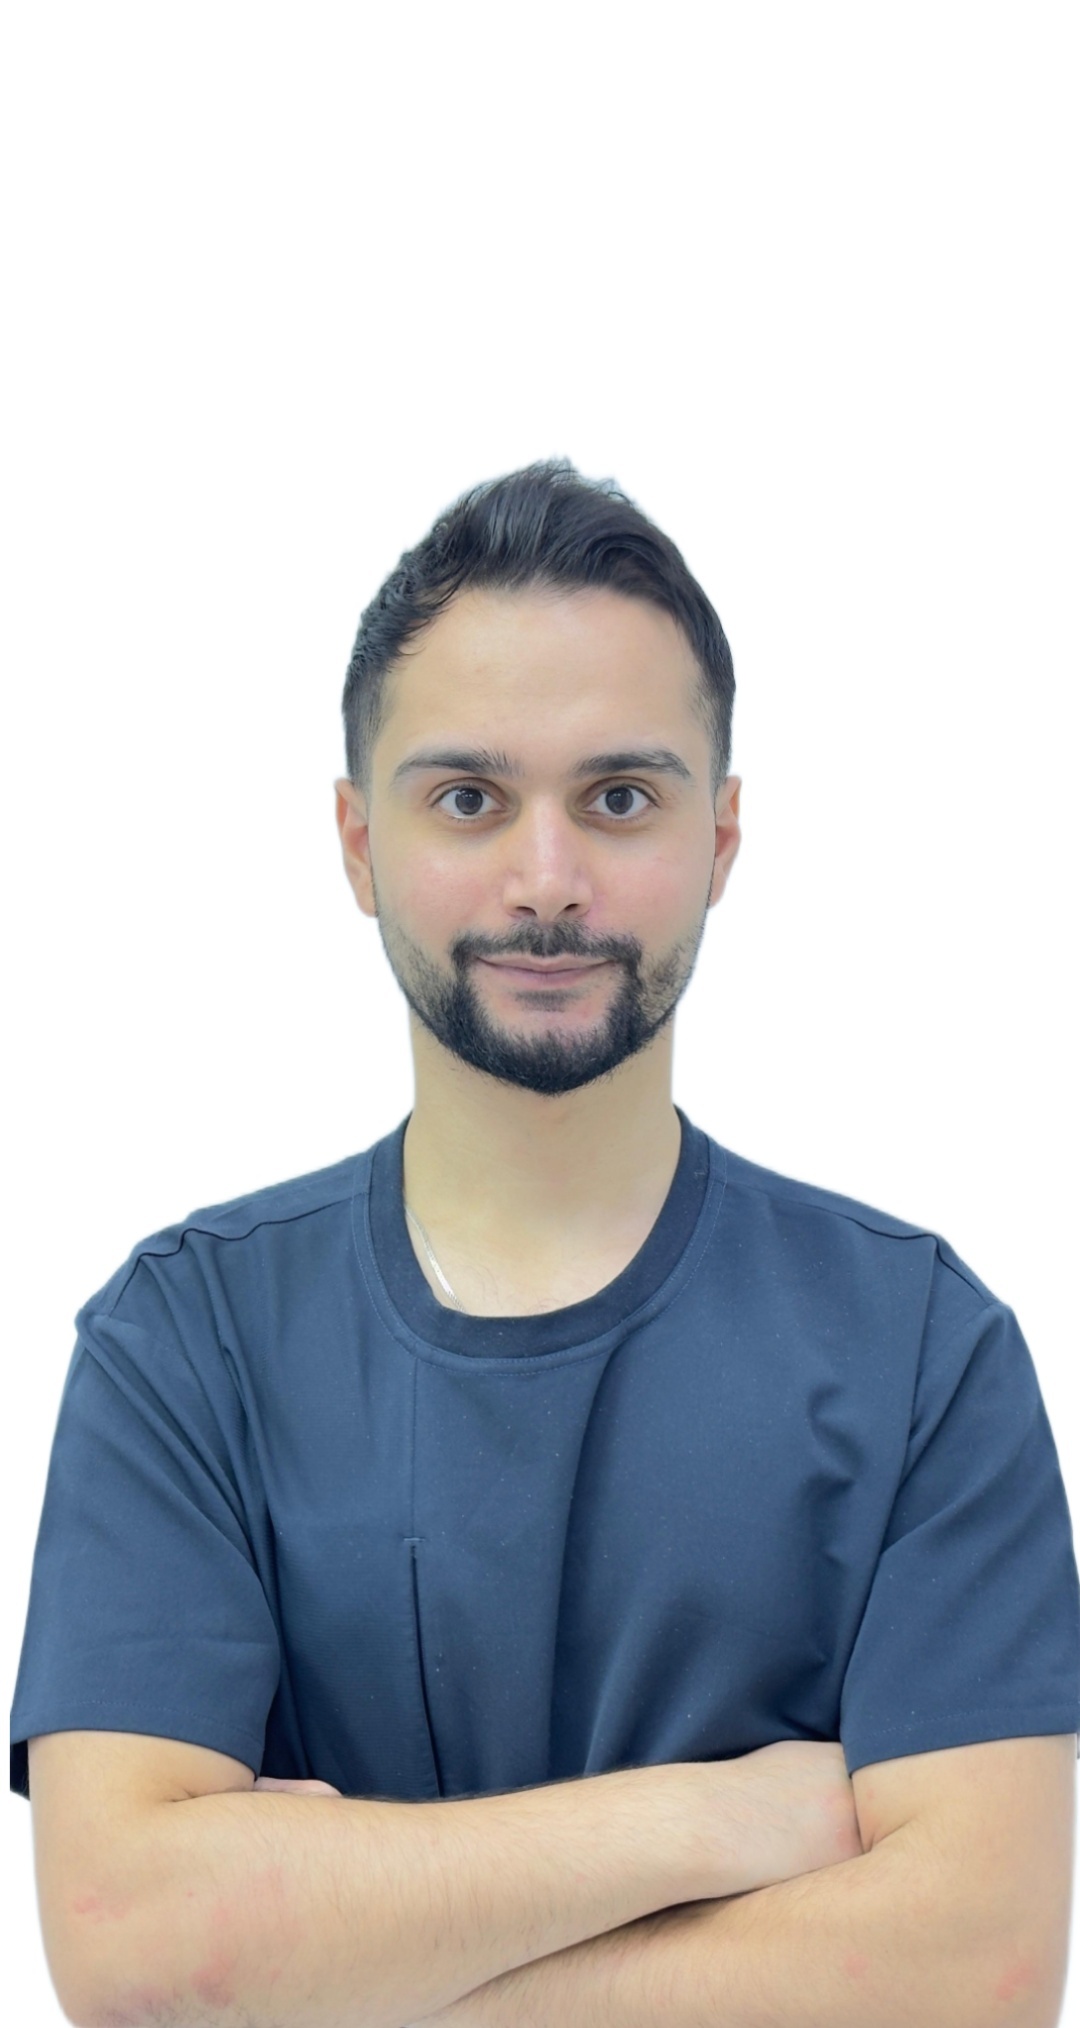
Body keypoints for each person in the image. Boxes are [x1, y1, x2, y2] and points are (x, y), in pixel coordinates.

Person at [11, 458, 1080, 2028]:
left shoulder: (920, 1351)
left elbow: (976, 1972)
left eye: (620, 798)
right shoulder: (186, 1344)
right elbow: (135, 1947)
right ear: (356, 843)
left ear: (722, 839)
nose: (548, 883)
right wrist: (711, 1822)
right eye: (469, 799)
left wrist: (348, 1958)